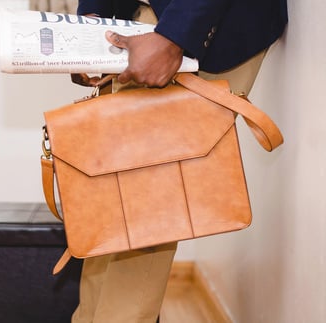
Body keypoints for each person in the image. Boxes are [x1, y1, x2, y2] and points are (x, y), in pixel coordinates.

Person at [69, 1, 288, 322]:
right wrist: (90, 17)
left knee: (146, 210)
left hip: (198, 22)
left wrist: (175, 36)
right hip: (135, 19)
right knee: (114, 201)